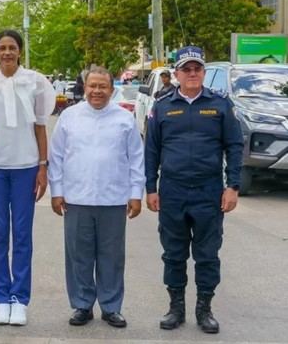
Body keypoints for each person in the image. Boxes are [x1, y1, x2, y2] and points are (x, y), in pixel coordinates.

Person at [145, 46, 243, 334]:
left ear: (203, 72)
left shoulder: (221, 104)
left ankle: (205, 309)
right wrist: (151, 188)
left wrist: (233, 186)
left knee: (208, 254)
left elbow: (235, 147)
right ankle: (176, 308)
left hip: (208, 192)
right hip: (173, 192)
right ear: (176, 73)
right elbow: (151, 150)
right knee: (173, 254)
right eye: (186, 68)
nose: (191, 73)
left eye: (197, 68)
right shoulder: (162, 105)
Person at [0, 29, 55, 326]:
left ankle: (19, 299)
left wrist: (43, 166)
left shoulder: (35, 82)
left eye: (12, 47)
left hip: (26, 168)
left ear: (19, 51)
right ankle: (1, 299)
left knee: (22, 235)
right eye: (2, 48)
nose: (7, 52)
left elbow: (41, 127)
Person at [48, 66, 144, 329]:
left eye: (103, 87)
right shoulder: (69, 117)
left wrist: (136, 194)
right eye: (93, 86)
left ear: (111, 90)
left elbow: (136, 159)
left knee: (111, 257)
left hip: (113, 200)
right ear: (85, 87)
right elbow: (55, 158)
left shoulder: (124, 119)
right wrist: (56, 192)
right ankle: (82, 304)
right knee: (78, 255)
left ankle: (111, 307)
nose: (97, 91)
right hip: (76, 199)